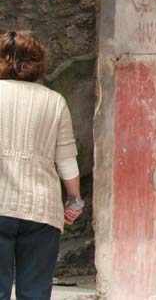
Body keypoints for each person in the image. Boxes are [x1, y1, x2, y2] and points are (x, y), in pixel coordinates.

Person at [0, 31, 82, 300]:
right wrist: (74, 201)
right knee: (35, 293)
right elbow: (66, 160)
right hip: (42, 210)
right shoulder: (55, 101)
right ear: (39, 62)